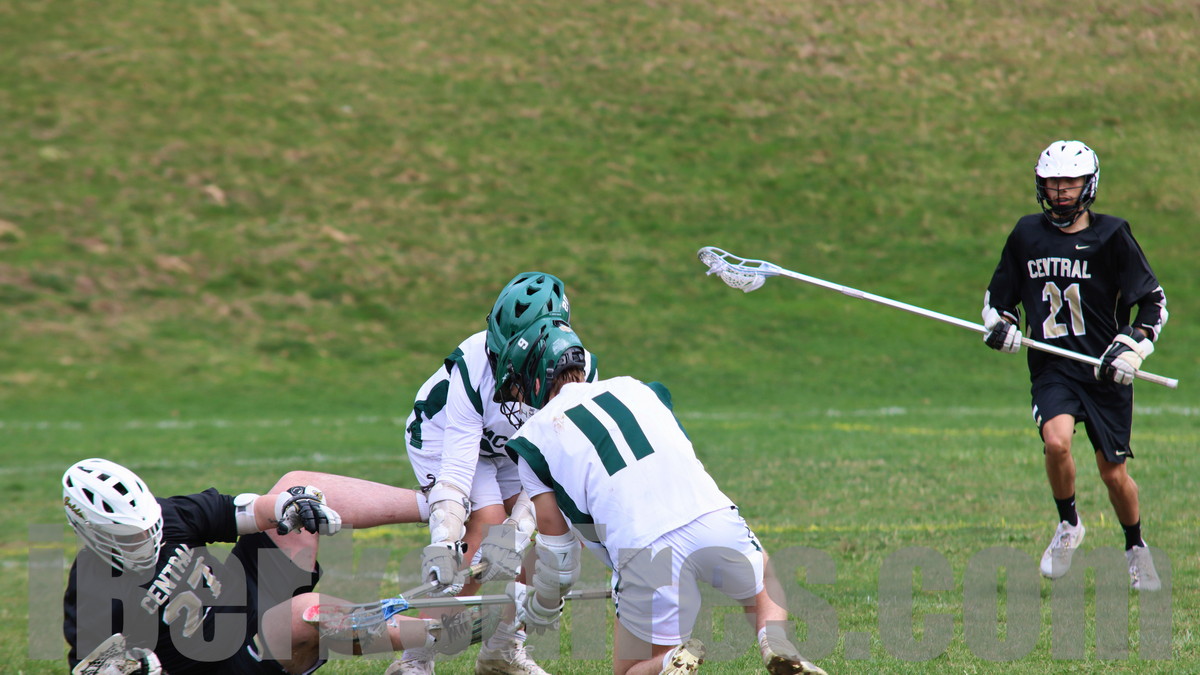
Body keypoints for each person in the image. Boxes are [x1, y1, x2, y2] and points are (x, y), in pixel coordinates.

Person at [491, 317, 828, 675]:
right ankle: (775, 642)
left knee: (632, 670)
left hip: (643, 548)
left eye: (519, 388)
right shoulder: (638, 387)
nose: (519, 398)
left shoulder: (533, 438)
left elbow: (557, 551)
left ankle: (670, 659)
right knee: (762, 586)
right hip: (710, 516)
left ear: (537, 379)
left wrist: (541, 604)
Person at [63, 457, 461, 674]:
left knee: (299, 483)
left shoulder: (169, 515)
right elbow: (90, 667)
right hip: (222, 665)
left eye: (151, 526)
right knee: (307, 613)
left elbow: (246, 510)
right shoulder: (91, 590)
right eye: (133, 536)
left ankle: (446, 508)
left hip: (245, 601)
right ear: (94, 535)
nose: (150, 537)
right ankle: (438, 634)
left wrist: (291, 504)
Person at [982, 140, 1167, 590]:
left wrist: (1132, 348)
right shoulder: (1026, 235)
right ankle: (1069, 524)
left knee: (1113, 475)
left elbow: (1154, 304)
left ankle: (1136, 547)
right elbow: (997, 300)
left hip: (1104, 372)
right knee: (1057, 442)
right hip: (1053, 367)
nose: (1061, 191)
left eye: (1070, 182)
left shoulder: (1113, 235)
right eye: (1053, 183)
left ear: (1089, 184)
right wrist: (1001, 326)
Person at [393, 272, 597, 675]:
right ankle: (415, 658)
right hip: (442, 436)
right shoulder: (473, 363)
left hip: (509, 448)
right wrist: (443, 542)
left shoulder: (577, 372)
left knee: (542, 532)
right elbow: (458, 466)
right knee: (485, 530)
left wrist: (518, 532)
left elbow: (549, 471)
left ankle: (503, 648)